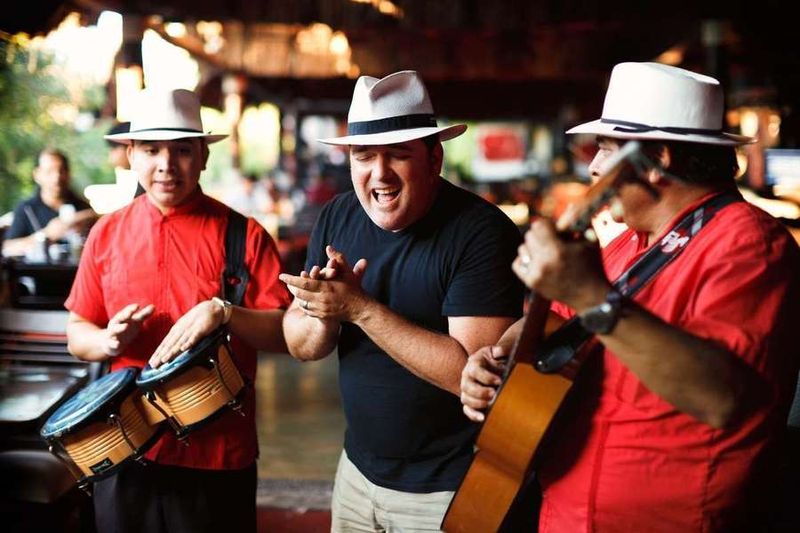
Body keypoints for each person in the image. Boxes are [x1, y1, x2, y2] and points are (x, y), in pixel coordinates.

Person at [460, 62, 800, 532]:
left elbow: (722, 397)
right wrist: (498, 357)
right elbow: (558, 324)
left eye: (606, 149)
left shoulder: (748, 243)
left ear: (656, 160)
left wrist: (591, 295)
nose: (594, 167)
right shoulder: (627, 243)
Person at [280, 70, 524, 531]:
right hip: (356, 473)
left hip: (448, 487)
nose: (379, 174)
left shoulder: (480, 233)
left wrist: (360, 309)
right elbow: (301, 345)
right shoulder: (338, 215)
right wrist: (325, 313)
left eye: (397, 155)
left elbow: (474, 380)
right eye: (364, 156)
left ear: (434, 159)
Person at [64, 88, 290, 532]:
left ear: (204, 155)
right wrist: (106, 339)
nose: (166, 165)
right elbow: (77, 332)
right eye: (151, 150)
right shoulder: (106, 234)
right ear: (130, 155)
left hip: (217, 451)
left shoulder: (245, 236)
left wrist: (225, 312)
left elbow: (285, 334)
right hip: (124, 444)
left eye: (182, 150)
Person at [2, 148, 97, 258]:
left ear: (68, 174)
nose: (56, 178)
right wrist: (46, 235)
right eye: (49, 171)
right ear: (37, 175)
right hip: (37, 273)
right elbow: (8, 247)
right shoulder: (26, 209)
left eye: (61, 170)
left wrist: (87, 216)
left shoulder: (82, 207)